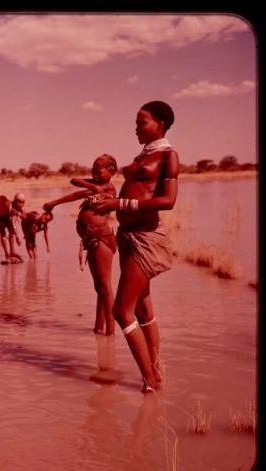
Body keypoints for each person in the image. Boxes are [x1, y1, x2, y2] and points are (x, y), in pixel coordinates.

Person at [91, 101, 178, 393]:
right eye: (136, 122)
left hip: (146, 237)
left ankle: (150, 381)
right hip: (128, 235)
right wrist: (105, 203)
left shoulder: (168, 156)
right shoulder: (144, 155)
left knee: (121, 310)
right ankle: (154, 371)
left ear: (161, 123)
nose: (136, 127)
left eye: (142, 122)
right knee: (141, 306)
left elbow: (168, 201)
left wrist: (119, 203)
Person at [43, 154, 118, 344]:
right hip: (90, 239)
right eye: (92, 171)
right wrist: (54, 203)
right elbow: (74, 182)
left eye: (98, 171)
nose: (94, 174)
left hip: (101, 238)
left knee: (105, 287)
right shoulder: (94, 187)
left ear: (112, 172)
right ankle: (98, 328)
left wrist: (93, 186)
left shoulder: (109, 187)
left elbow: (92, 189)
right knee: (99, 288)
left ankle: (110, 333)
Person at [0, 192, 26, 263]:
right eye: (20, 202)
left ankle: (12, 252)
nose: (21, 204)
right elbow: (13, 223)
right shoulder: (10, 207)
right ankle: (7, 254)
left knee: (11, 233)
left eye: (23, 203)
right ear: (15, 201)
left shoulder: (19, 208)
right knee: (3, 234)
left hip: (6, 216)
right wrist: (17, 237)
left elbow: (20, 220)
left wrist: (21, 214)